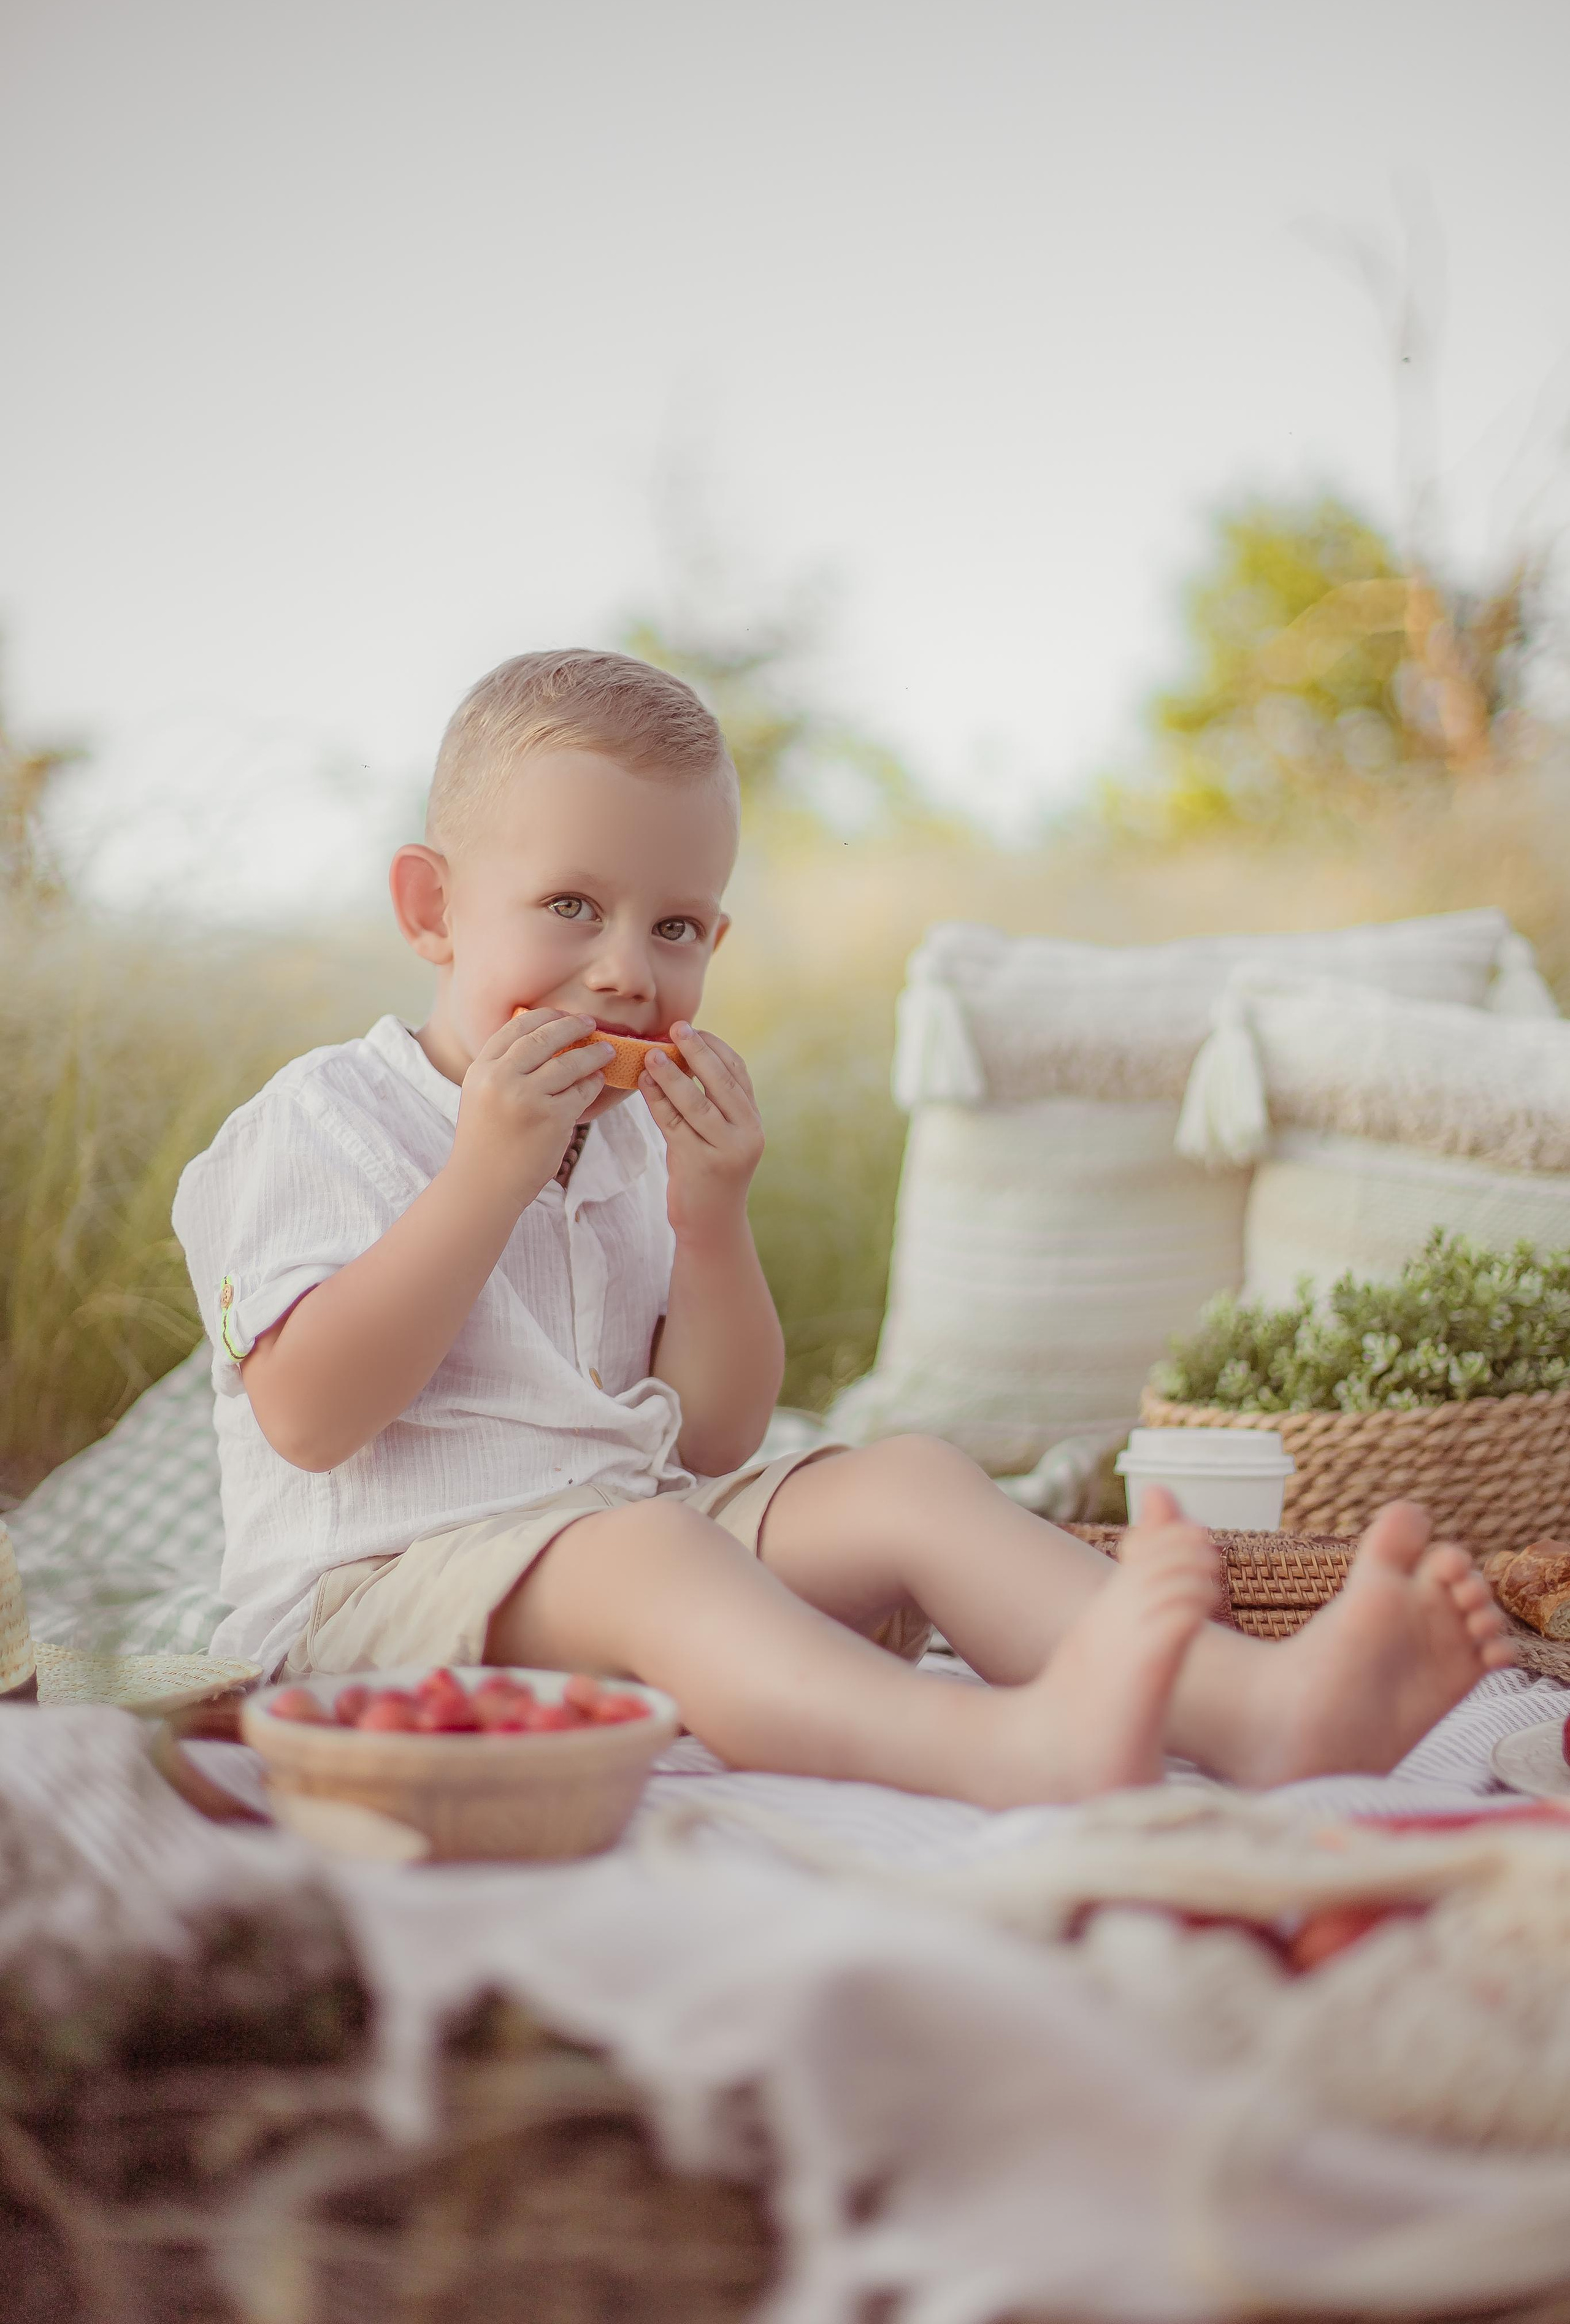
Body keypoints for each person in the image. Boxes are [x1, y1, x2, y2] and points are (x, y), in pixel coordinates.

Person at [173, 650, 1515, 1806]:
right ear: (431, 909)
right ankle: (997, 1749)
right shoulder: (325, 1121)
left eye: (676, 925)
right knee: (654, 1555)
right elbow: (309, 1415)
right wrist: (482, 1180)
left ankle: (1257, 1711)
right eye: (571, 906)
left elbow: (709, 1437)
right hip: (375, 1597)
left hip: (631, 1529)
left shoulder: (631, 1140)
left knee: (905, 1477)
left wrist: (710, 1215)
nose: (627, 971)